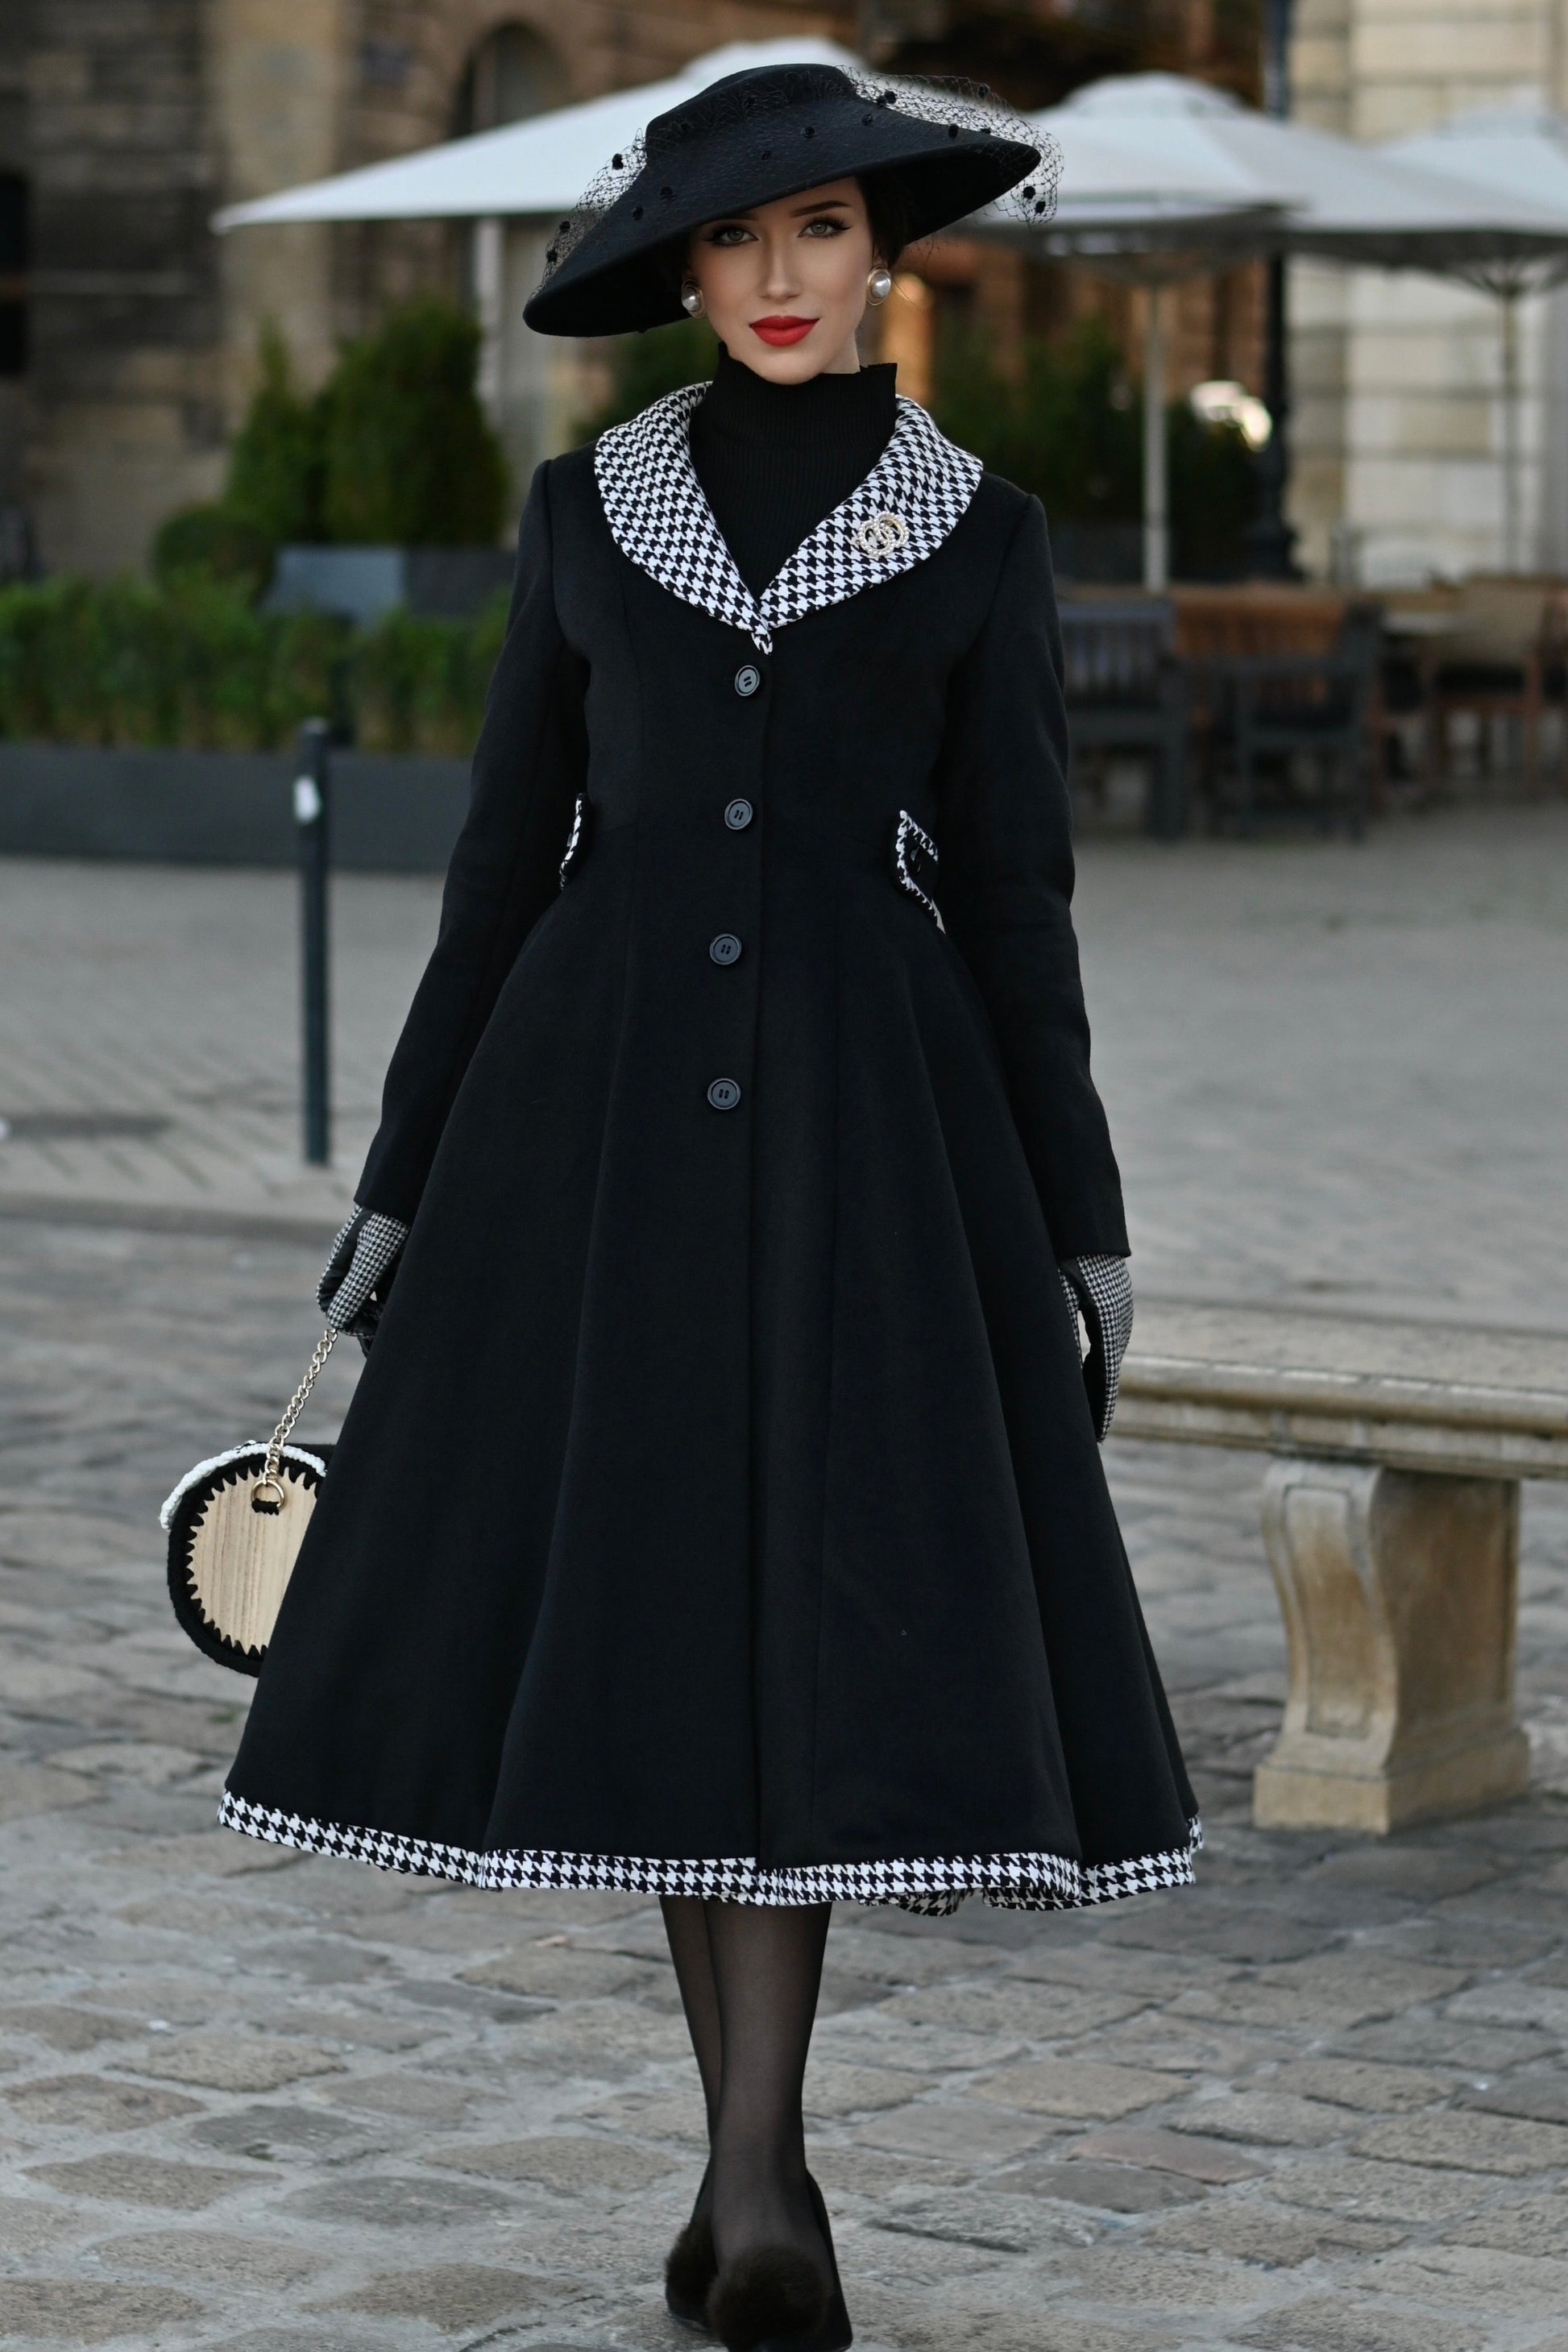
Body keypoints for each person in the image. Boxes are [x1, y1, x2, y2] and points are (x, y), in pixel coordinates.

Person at [220, 60, 1197, 2352]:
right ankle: (753, 2176)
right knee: (665, 1611)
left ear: (884, 257)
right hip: (598, 1130)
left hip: (880, 1129)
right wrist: (402, 1172)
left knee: (810, 1620)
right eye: (740, 240)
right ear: (682, 268)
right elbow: (497, 869)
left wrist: (1080, 1216)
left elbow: (1023, 901)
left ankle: (753, 2178)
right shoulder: (583, 514)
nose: (779, 277)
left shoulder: (981, 529)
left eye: (823, 229)